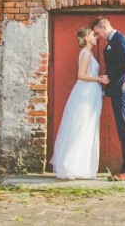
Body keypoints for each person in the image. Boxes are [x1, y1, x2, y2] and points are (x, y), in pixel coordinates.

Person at [50, 27, 108, 179]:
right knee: (83, 126)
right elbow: (81, 75)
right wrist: (99, 79)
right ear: (87, 37)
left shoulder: (87, 53)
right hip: (86, 92)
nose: (96, 37)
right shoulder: (86, 53)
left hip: (90, 91)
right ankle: (72, 166)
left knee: (86, 126)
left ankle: (80, 167)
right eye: (93, 35)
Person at [92, 16, 125, 181]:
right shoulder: (112, 41)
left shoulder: (120, 39)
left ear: (104, 27)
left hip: (122, 90)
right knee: (123, 129)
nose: (97, 37)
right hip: (117, 90)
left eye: (97, 33)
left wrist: (109, 77)